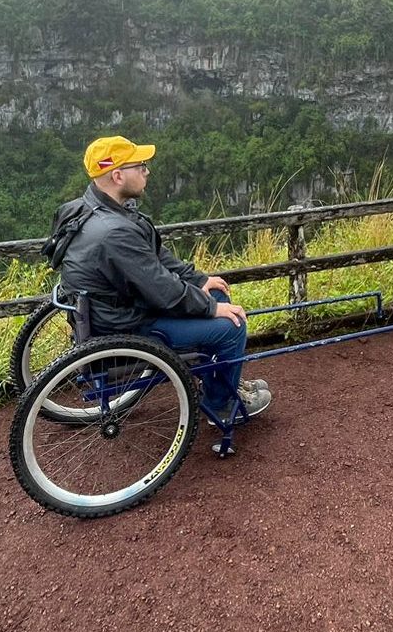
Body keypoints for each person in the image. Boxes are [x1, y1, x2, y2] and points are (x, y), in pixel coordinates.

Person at [54, 135, 271, 422]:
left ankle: (220, 380)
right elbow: (163, 290)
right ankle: (221, 404)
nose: (147, 171)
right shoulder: (114, 231)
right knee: (232, 325)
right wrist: (209, 309)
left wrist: (197, 279)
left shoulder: (91, 208)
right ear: (118, 175)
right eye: (140, 165)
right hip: (128, 325)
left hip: (112, 309)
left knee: (216, 294)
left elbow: (153, 257)